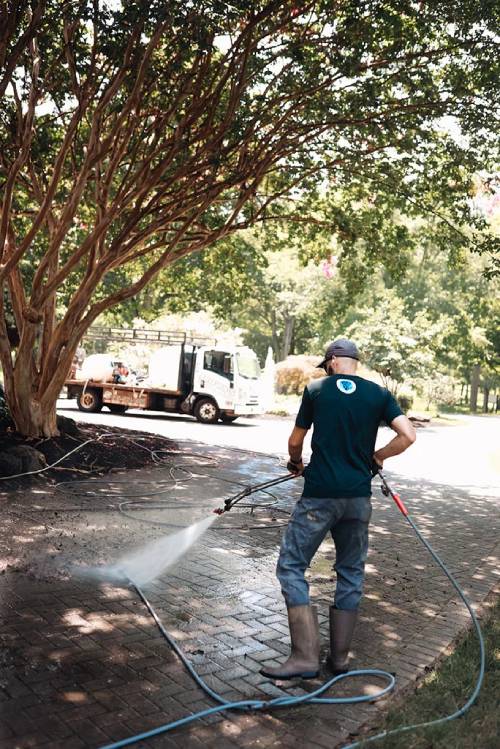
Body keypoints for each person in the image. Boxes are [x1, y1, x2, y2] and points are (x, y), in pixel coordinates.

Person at [260, 338, 416, 680]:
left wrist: (295, 462)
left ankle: (305, 657)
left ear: (332, 361)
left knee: (290, 567)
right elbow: (408, 434)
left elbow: (295, 440)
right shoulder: (378, 394)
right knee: (350, 572)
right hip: (358, 499)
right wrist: (378, 457)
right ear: (354, 363)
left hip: (320, 496)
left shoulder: (317, 389)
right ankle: (340, 659)